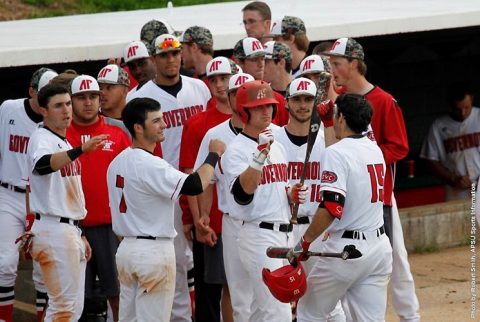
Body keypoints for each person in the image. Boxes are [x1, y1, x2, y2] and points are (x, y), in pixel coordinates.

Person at [323, 37, 419, 322]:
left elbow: (400, 146)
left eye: (337, 63)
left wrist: (365, 156)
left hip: (380, 196)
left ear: (355, 64)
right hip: (347, 200)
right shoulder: (336, 102)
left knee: (397, 262)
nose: (332, 69)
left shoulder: (383, 100)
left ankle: (410, 316)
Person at [106, 97, 226, 322]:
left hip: (126, 250)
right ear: (138, 128)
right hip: (152, 252)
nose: (164, 125)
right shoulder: (151, 164)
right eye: (156, 121)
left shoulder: (116, 162)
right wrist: (213, 154)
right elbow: (195, 185)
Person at [127, 33, 211, 322]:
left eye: (175, 53)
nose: (171, 59)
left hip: (200, 182)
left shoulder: (200, 87)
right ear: (154, 59)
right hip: (163, 185)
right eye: (164, 55)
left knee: (201, 258)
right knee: (174, 259)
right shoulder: (138, 97)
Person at [291, 93, 392, 321]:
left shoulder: (336, 153)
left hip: (346, 251)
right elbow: (346, 152)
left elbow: (331, 207)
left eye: (336, 115)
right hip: (379, 249)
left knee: (309, 312)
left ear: (343, 118)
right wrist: (328, 123)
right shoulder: (374, 148)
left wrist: (304, 242)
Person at [220, 80, 308, 321]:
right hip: (258, 235)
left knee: (259, 313)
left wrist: (290, 194)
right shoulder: (236, 150)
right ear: (244, 111)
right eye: (258, 106)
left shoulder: (276, 145)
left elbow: (275, 188)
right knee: (277, 310)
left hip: (284, 232)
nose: (266, 110)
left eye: (269, 105)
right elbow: (242, 194)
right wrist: (259, 156)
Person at [26, 83, 107, 321]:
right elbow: (41, 165)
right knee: (64, 308)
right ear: (43, 111)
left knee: (71, 308)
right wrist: (81, 149)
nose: (66, 110)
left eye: (68, 104)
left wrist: (78, 232)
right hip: (53, 230)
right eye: (58, 105)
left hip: (66, 229)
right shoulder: (42, 137)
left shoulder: (62, 141)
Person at [66, 74, 131, 322]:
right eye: (81, 97)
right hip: (73, 227)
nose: (88, 102)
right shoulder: (61, 136)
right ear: (71, 101)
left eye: (93, 96)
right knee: (74, 299)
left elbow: (131, 181)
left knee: (118, 294)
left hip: (110, 228)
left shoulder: (117, 134)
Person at [179, 56, 238, 322]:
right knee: (210, 291)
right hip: (212, 218)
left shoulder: (259, 118)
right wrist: (194, 219)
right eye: (213, 79)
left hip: (246, 221)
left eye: (224, 78)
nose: (219, 84)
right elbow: (191, 176)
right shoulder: (198, 123)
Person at [193, 73, 254, 321]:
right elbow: (207, 180)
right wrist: (204, 215)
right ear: (228, 97)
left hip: (268, 220)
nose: (241, 98)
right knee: (232, 287)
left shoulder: (274, 132)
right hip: (233, 221)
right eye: (235, 93)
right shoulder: (214, 135)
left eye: (246, 93)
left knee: (266, 287)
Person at [0, 67, 57, 322]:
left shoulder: (57, 118)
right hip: (10, 193)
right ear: (32, 91)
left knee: (44, 267)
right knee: (5, 264)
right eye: (45, 93)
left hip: (42, 199)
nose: (49, 101)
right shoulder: (9, 109)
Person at [421, 81, 480, 201]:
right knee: (459, 219)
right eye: (458, 109)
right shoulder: (439, 125)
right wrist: (452, 178)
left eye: (466, 108)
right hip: (457, 189)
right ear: (450, 105)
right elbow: (430, 159)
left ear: (472, 99)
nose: (463, 113)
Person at [232, 37, 289, 125]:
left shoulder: (277, 99)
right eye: (254, 59)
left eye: (262, 58)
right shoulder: (229, 98)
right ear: (239, 62)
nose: (261, 64)